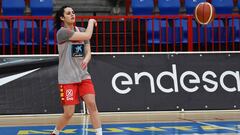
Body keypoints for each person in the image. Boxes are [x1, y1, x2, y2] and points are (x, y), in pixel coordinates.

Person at [50, 5, 102, 135]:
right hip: (67, 78)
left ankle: (99, 133)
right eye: (68, 13)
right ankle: (55, 132)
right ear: (62, 17)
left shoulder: (81, 30)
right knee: (69, 113)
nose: (72, 15)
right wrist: (91, 21)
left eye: (73, 12)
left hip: (83, 76)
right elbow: (88, 35)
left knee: (92, 105)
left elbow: (88, 51)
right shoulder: (62, 33)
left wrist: (86, 59)